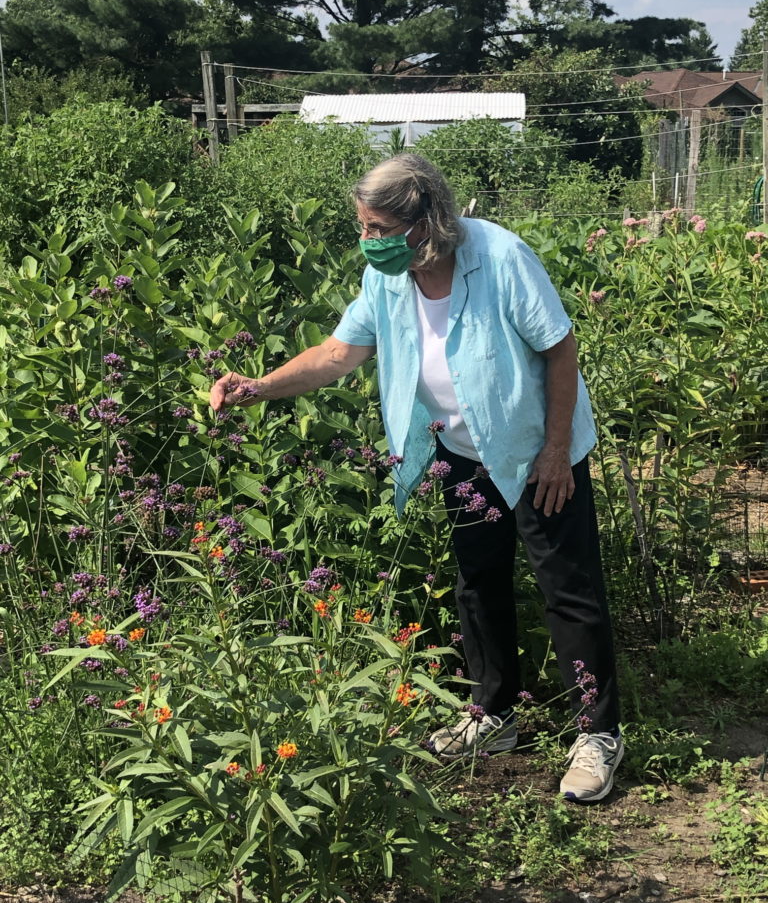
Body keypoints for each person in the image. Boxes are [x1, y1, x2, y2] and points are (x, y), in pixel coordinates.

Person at [210, 153, 623, 803]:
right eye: (363, 228)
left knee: (567, 591)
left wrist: (554, 448)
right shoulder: (389, 279)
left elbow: (559, 347)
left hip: (536, 448)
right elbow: (339, 354)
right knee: (477, 584)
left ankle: (596, 736)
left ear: (427, 218)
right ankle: (494, 714)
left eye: (378, 228)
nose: (367, 242)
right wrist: (258, 387)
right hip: (462, 451)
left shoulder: (501, 258)